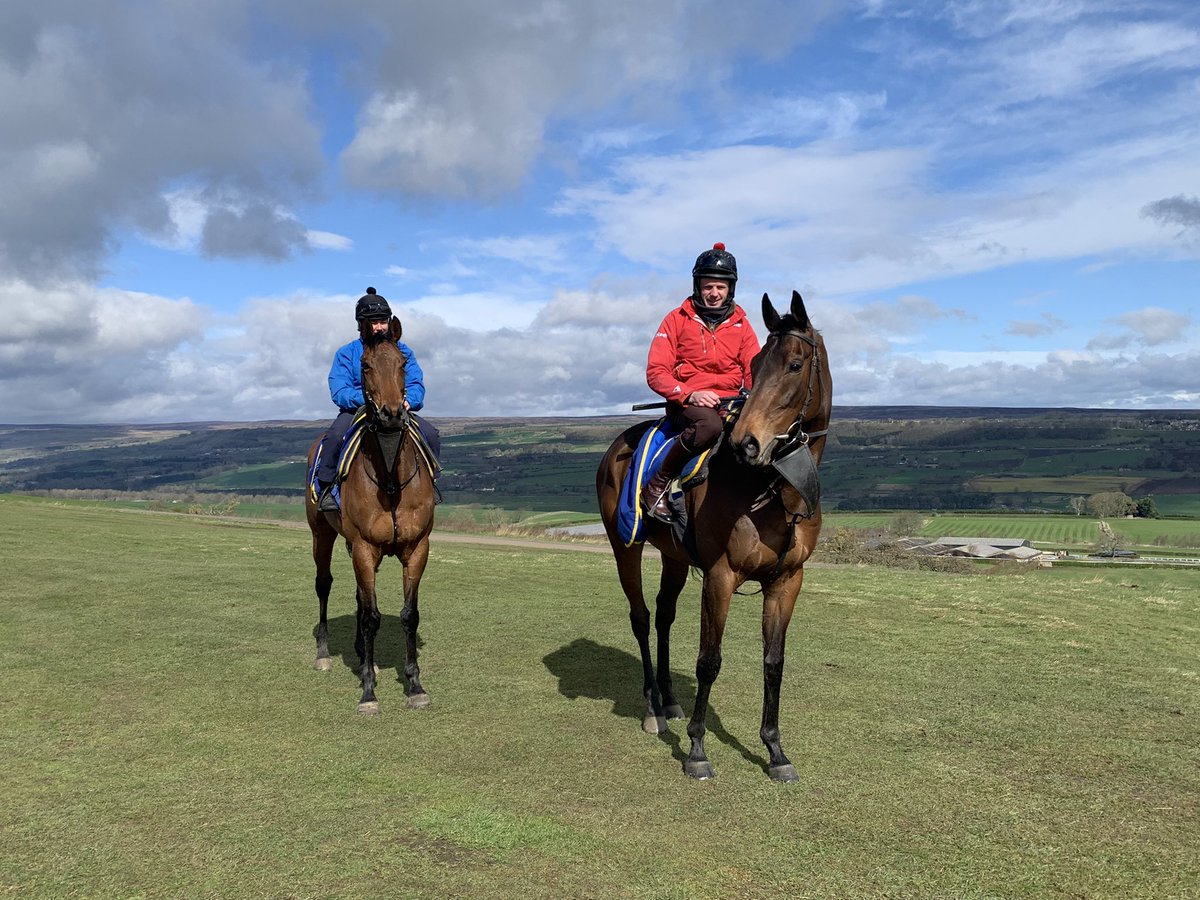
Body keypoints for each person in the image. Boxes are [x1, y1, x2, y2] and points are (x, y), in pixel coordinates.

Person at [641, 243, 760, 521]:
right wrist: (690, 394)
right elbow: (656, 371)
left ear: (730, 289)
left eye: (720, 287)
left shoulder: (743, 324)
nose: (714, 293)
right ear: (698, 286)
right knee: (709, 426)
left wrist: (754, 395)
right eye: (708, 286)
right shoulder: (675, 320)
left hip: (731, 402)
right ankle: (657, 485)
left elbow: (753, 370)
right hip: (688, 406)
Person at [315, 287, 440, 512]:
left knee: (430, 434)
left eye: (382, 321)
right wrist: (366, 399)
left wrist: (409, 400)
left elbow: (415, 383)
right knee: (334, 438)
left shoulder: (403, 352)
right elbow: (339, 389)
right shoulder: (345, 353)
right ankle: (325, 489)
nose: (379, 327)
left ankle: (430, 485)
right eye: (373, 322)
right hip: (358, 410)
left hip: (395, 407)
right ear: (362, 325)